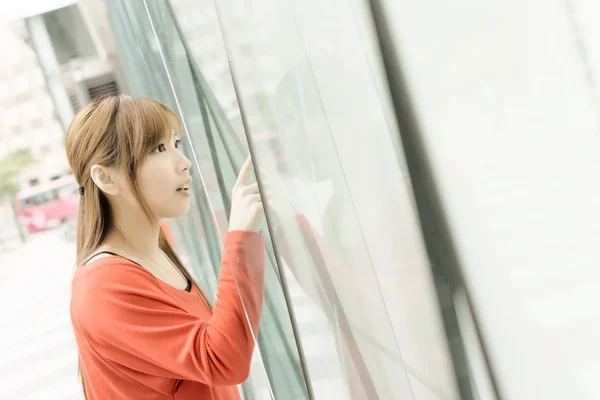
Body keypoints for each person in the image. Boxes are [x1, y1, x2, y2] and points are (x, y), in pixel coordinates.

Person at [66, 95, 266, 400]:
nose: (183, 162)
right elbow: (223, 359)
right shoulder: (103, 286)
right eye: (158, 149)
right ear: (106, 178)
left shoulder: (153, 254)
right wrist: (239, 237)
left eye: (177, 144)